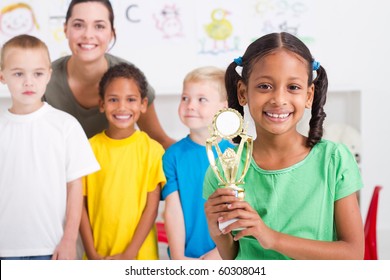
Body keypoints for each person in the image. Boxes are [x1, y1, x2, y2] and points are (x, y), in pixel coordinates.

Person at [203, 32, 364, 260]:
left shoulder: (334, 160)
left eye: (293, 87)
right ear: (242, 92)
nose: (279, 99)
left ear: (309, 95)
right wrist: (217, 231)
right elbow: (233, 257)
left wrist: (271, 238)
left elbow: (353, 254)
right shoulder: (223, 169)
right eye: (265, 86)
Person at [0, 34, 100, 260]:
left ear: (48, 76)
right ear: (2, 76)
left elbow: (76, 189)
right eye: (18, 73)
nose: (28, 82)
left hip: (52, 248)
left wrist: (69, 240)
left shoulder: (66, 126)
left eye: (37, 73)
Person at [44, 0, 175, 149]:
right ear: (66, 29)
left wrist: (201, 157)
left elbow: (159, 140)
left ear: (112, 33)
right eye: (78, 25)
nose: (88, 35)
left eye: (99, 26)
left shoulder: (130, 80)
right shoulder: (43, 80)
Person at [79, 63, 166, 260]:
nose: (122, 107)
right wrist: (92, 253)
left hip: (140, 256)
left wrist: (130, 254)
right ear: (102, 104)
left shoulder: (152, 150)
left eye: (131, 99)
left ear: (143, 104)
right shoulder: (87, 149)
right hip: (97, 255)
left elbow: (151, 209)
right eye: (113, 100)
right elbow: (80, 207)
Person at [162, 66, 235, 259]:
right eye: (185, 98)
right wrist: (179, 258)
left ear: (223, 107)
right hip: (185, 256)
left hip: (227, 257)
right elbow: (172, 211)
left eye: (201, 99)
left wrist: (220, 254)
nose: (190, 105)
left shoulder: (236, 155)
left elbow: (240, 210)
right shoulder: (172, 156)